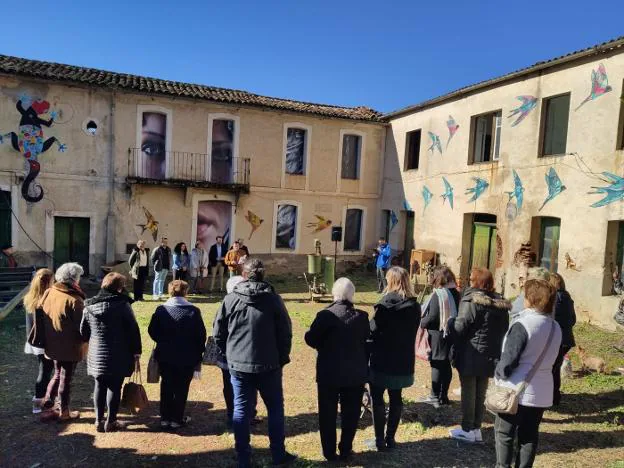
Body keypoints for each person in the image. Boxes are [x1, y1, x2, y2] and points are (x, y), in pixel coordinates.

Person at [213, 259, 296, 467]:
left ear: (244, 274)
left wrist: (281, 358)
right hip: (258, 363)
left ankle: (247, 456)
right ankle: (269, 454)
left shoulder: (268, 299)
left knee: (247, 409)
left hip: (254, 364)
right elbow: (219, 333)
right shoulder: (248, 299)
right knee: (271, 408)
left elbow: (218, 333)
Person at [494, 279, 562, 468]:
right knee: (529, 436)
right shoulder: (556, 328)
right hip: (541, 391)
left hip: (515, 390)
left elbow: (509, 360)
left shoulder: (522, 324)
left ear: (530, 299)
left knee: (504, 434)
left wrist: (499, 373)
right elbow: (556, 361)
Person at [305, 278, 369, 462]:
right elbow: (367, 340)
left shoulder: (325, 315)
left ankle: (329, 452)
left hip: (329, 373)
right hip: (354, 373)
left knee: (327, 414)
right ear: (352, 295)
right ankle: (346, 449)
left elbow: (311, 339)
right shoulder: (362, 317)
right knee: (351, 413)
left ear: (334, 294)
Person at [448, 267, 510, 443]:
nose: (468, 280)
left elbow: (460, 327)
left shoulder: (472, 300)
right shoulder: (500, 304)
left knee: (468, 390)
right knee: (480, 391)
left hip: (471, 351)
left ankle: (468, 428)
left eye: (471, 278)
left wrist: (450, 323)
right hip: (490, 353)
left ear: (476, 281)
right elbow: (504, 329)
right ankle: (476, 428)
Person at [81, 273, 142, 432]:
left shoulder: (89, 305)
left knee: (99, 385)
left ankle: (98, 420)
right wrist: (137, 351)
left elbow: (83, 331)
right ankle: (111, 421)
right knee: (115, 387)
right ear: (120, 288)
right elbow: (133, 331)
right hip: (119, 352)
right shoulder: (123, 305)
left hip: (97, 352)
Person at [369, 266, 421, 451]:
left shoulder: (385, 306)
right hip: (402, 359)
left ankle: (379, 439)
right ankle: (390, 438)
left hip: (382, 357)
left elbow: (372, 330)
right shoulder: (415, 306)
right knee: (396, 397)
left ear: (391, 281)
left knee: (377, 398)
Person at [148, 280, 206, 430]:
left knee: (166, 385)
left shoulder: (161, 310)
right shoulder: (193, 311)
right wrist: (198, 354)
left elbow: (152, 331)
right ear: (185, 292)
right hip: (187, 356)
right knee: (182, 387)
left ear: (170, 292)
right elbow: (201, 335)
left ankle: (165, 418)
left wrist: (162, 340)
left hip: (165, 355)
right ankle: (176, 419)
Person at [39, 263, 86, 421]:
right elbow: (82, 327)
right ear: (74, 279)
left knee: (58, 373)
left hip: (52, 343)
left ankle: (48, 403)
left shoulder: (49, 291)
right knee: (65, 377)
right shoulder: (75, 299)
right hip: (69, 346)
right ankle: (64, 412)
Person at [215, 275, 260, 428]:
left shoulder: (229, 304)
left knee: (237, 386)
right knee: (238, 386)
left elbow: (217, 332)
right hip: (239, 355)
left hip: (233, 354)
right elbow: (219, 332)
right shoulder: (229, 304)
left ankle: (243, 414)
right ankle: (236, 415)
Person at [420, 266, 461, 408]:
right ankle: (444, 395)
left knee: (437, 364)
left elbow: (432, 317)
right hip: (452, 333)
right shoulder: (456, 292)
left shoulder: (439, 294)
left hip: (438, 334)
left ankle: (434, 396)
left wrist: (420, 322)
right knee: (445, 365)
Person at [23, 268, 54, 414]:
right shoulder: (47, 299)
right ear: (48, 281)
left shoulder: (30, 297)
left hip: (35, 340)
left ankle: (40, 401)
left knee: (45, 370)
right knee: (45, 371)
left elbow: (30, 322)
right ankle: (40, 401)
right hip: (44, 341)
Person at [549, 273, 576, 406]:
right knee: (555, 367)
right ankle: (555, 397)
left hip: (557, 338)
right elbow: (573, 319)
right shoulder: (567, 298)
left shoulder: (554, 299)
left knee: (551, 369)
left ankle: (552, 398)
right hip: (567, 339)